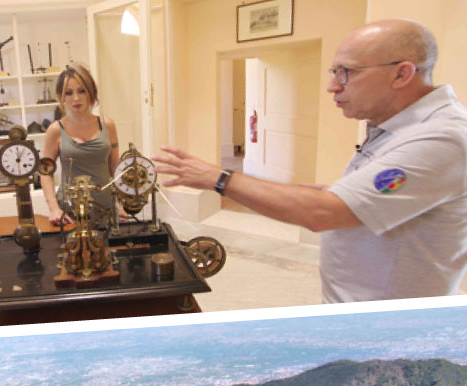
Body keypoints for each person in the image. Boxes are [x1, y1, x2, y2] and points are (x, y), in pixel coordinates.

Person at [153, 19, 466, 302]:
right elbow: (373, 198)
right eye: (334, 72)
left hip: (386, 324)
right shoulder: (392, 125)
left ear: (401, 73)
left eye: (347, 72)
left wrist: (218, 178)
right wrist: (341, 192)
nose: (333, 85)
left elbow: (323, 214)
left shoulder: (442, 138)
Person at [39, 62, 121, 228]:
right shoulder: (55, 130)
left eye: (81, 90)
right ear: (61, 97)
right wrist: (53, 208)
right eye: (68, 93)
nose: (76, 98)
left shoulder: (108, 125)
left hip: (106, 209)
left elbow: (115, 167)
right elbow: (45, 173)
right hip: (70, 213)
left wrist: (123, 201)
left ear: (91, 92)